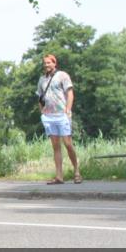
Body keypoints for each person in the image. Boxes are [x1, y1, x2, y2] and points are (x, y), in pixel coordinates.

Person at [36, 54, 80, 184]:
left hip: (62, 114)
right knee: (56, 146)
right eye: (45, 63)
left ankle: (77, 171)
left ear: (54, 63)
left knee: (68, 144)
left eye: (49, 63)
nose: (46, 65)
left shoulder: (63, 75)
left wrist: (68, 109)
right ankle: (59, 176)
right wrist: (41, 111)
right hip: (49, 116)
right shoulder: (42, 79)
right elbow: (39, 97)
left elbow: (70, 93)